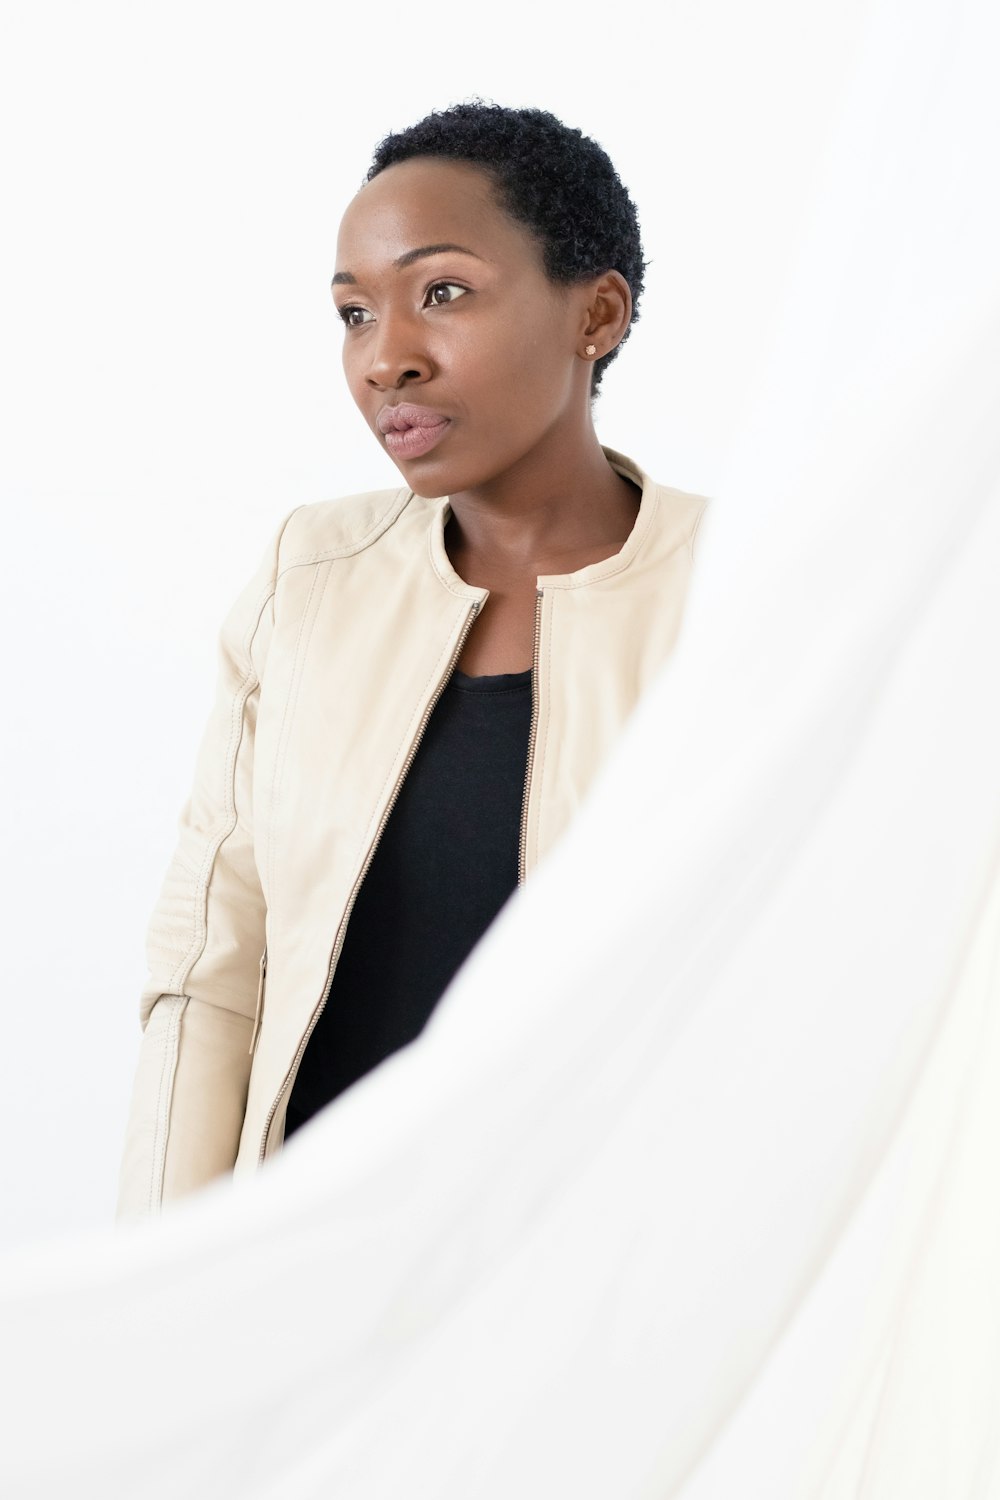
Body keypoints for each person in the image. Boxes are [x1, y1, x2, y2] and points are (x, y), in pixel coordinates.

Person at [116, 100, 708, 1221]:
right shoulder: (310, 576)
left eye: (442, 293)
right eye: (352, 313)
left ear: (597, 313)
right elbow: (209, 972)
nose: (386, 358)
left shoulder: (742, 592)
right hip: (315, 1280)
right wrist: (158, 1287)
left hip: (617, 1289)